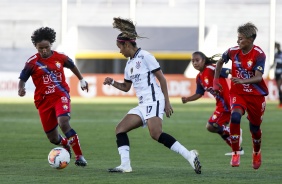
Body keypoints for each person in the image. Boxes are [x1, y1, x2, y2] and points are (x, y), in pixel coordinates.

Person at [103, 17, 201, 174]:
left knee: (155, 134)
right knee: (120, 129)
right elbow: (127, 87)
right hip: (143, 104)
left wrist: (167, 103)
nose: (119, 51)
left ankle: (189, 155)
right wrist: (112, 82)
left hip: (154, 100)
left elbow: (161, 78)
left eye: (120, 47)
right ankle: (125, 165)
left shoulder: (146, 56)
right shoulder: (129, 65)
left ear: (127, 44)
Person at [18, 27, 88, 167]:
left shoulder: (60, 57)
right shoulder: (32, 62)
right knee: (53, 138)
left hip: (60, 95)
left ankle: (79, 156)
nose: (44, 50)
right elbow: (23, 78)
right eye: (40, 48)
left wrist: (81, 79)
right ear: (36, 47)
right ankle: (65, 144)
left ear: (51, 44)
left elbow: (72, 66)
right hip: (43, 101)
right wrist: (21, 88)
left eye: (46, 47)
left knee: (63, 122)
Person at [213, 22, 268, 169]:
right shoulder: (232, 51)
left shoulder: (259, 54)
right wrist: (216, 82)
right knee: (235, 117)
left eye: (241, 38)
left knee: (254, 129)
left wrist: (243, 80)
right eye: (237, 38)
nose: (238, 41)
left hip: (256, 96)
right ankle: (235, 152)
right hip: (238, 93)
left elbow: (258, 77)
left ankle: (256, 152)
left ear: (250, 39)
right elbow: (219, 63)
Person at [181, 51, 244, 156]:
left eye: (197, 60)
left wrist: (238, 75)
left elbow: (227, 71)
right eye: (192, 61)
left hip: (226, 104)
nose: (195, 63)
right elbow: (199, 93)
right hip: (220, 104)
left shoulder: (211, 69)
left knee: (211, 126)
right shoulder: (199, 77)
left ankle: (234, 131)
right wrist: (188, 99)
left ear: (204, 60)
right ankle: (237, 150)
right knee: (218, 128)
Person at [270, 42, 282, 108]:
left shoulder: (281, 54)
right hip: (276, 72)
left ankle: (281, 103)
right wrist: (270, 67)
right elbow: (274, 63)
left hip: (280, 73)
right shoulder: (276, 54)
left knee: (279, 87)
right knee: (278, 88)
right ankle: (280, 103)